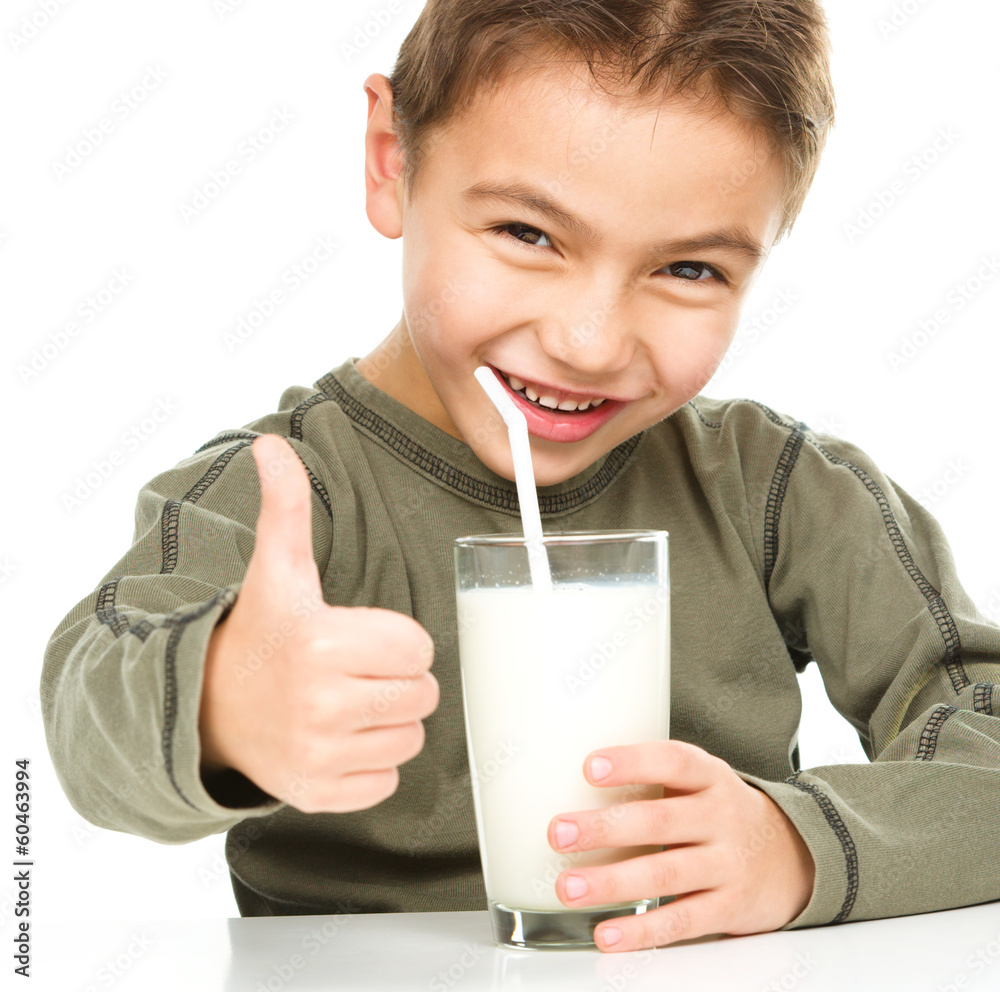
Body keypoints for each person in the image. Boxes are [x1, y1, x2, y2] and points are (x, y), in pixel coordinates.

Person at [41, 0, 1000, 953]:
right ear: (392, 159)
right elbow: (93, 713)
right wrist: (224, 705)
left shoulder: (780, 492)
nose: (587, 343)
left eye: (691, 269)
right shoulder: (282, 493)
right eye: (528, 233)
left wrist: (799, 846)